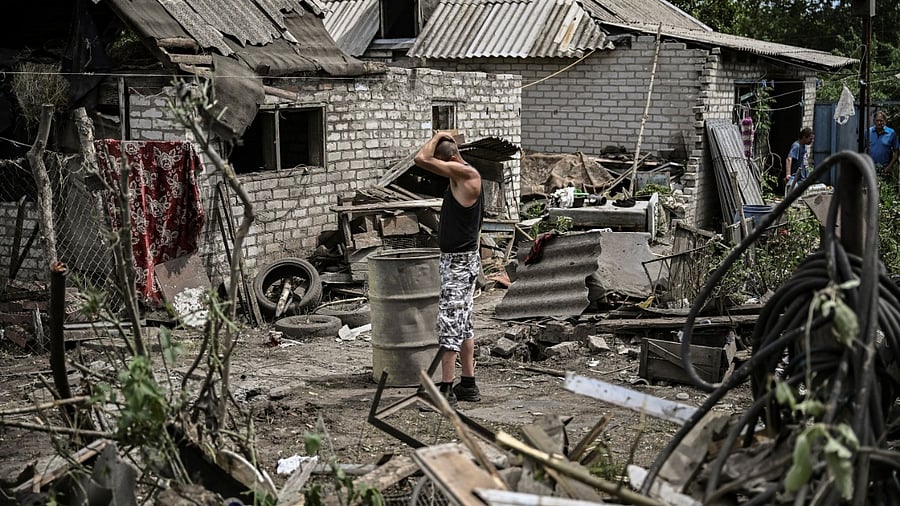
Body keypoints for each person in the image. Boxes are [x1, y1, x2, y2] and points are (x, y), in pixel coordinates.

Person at [414, 131, 483, 408]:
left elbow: (421, 158)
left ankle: (445, 391)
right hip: (460, 260)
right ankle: (468, 384)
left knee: (449, 325)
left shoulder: (467, 176)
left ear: (452, 161)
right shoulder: (463, 173)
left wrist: (439, 135)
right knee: (463, 324)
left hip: (459, 262)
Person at [867, 110, 899, 178]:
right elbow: (862, 149)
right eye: (877, 120)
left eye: (881, 120)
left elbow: (896, 152)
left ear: (885, 121)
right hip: (870, 168)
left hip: (884, 169)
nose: (879, 123)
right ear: (874, 121)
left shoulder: (891, 133)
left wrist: (889, 167)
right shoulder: (868, 132)